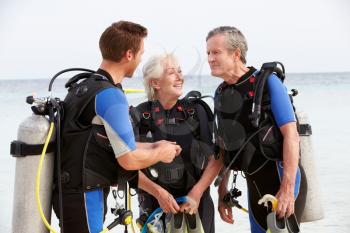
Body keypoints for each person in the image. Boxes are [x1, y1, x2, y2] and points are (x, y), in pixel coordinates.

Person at [52, 21, 181, 233]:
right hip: (85, 195)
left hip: (71, 193)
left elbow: (109, 142)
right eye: (140, 53)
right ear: (129, 54)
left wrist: (153, 146)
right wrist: (160, 153)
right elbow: (128, 159)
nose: (140, 60)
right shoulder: (110, 95)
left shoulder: (83, 87)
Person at [206, 26, 303, 233]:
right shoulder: (221, 93)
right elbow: (223, 148)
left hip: (281, 179)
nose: (210, 59)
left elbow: (292, 136)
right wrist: (222, 193)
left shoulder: (267, 82)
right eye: (208, 53)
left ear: (236, 54)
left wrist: (286, 189)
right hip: (254, 185)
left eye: (216, 52)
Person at [131, 53, 223, 233]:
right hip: (154, 203)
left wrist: (197, 193)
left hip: (197, 203)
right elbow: (128, 166)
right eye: (172, 72)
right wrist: (158, 193)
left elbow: (217, 158)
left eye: (180, 71)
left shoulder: (196, 111)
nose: (180, 77)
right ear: (155, 83)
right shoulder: (139, 116)